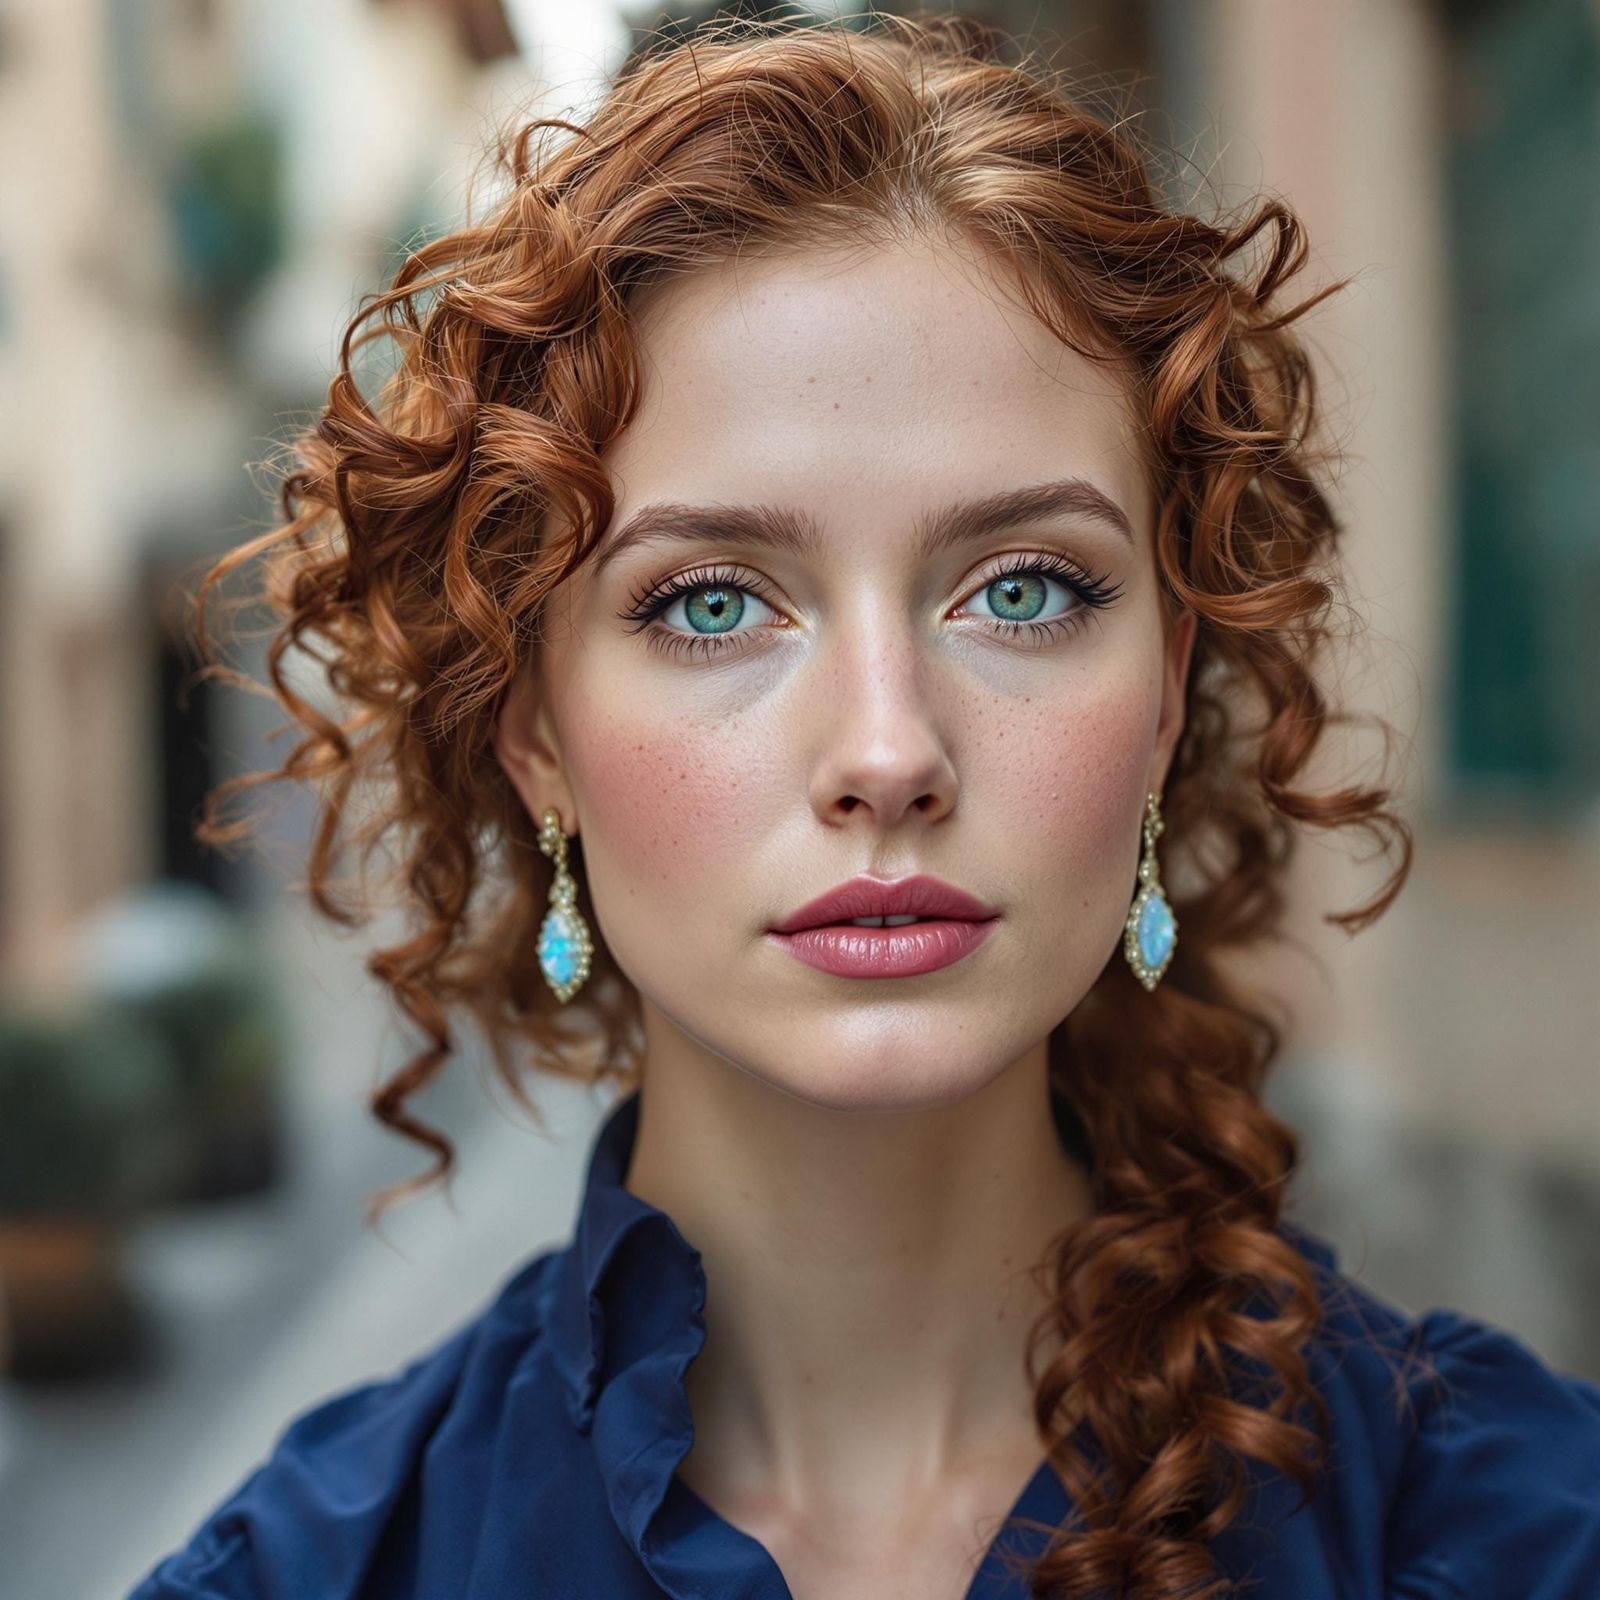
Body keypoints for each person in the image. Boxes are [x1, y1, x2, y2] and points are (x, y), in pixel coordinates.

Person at [130, 12, 1600, 1600]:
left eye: (1023, 587)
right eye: (709, 605)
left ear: (1169, 691)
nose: (889, 750)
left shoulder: (1522, 1533)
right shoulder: (312, 1573)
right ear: (533, 733)